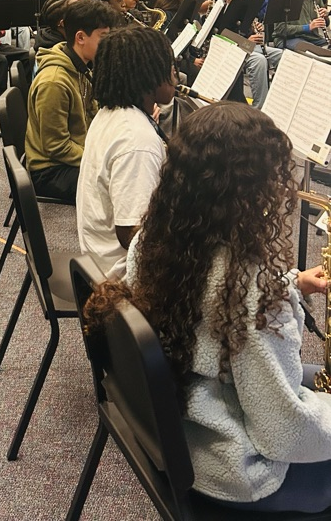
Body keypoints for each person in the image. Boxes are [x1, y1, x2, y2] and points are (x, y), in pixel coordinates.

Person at [86, 104, 331, 514]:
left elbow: (208, 297)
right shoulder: (250, 289)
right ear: (252, 192)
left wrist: (290, 282)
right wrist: (273, 294)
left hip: (189, 430)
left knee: (315, 379)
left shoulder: (155, 238)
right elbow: (282, 433)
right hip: (239, 471)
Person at [76, 26, 176, 279]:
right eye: (169, 66)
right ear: (148, 76)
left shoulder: (112, 112)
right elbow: (132, 235)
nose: (175, 74)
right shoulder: (136, 140)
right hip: (120, 276)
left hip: (98, 258)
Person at [26, 0, 118, 204]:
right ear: (80, 37)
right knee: (120, 184)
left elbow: (91, 112)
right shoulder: (54, 82)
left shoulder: (79, 65)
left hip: (73, 153)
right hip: (49, 170)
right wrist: (98, 159)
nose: (108, 44)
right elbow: (56, 146)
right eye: (103, 37)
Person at [218, 0, 282, 109]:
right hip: (233, 49)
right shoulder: (220, 10)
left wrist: (254, 30)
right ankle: (259, 108)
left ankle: (278, 100)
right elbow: (223, 38)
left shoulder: (245, 7)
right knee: (259, 61)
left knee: (281, 55)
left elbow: (245, 32)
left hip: (248, 46)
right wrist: (247, 40)